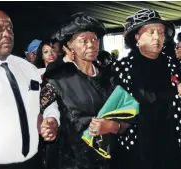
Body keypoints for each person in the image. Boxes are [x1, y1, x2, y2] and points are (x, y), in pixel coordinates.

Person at [40, 12, 134, 169]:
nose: (91, 44)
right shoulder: (58, 78)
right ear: (70, 45)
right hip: (73, 160)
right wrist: (50, 123)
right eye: (83, 41)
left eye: (94, 40)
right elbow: (47, 111)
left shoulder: (110, 77)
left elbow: (129, 117)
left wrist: (112, 126)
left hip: (110, 159)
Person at [111, 8, 181, 169]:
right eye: (150, 32)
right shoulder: (122, 67)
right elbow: (130, 103)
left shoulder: (174, 64)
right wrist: (172, 93)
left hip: (173, 141)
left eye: (161, 32)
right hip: (139, 144)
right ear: (137, 37)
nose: (157, 37)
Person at [0, 10, 59, 169]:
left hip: (33, 161)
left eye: (10, 28)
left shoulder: (28, 69)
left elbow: (38, 107)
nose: (7, 34)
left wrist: (50, 121)